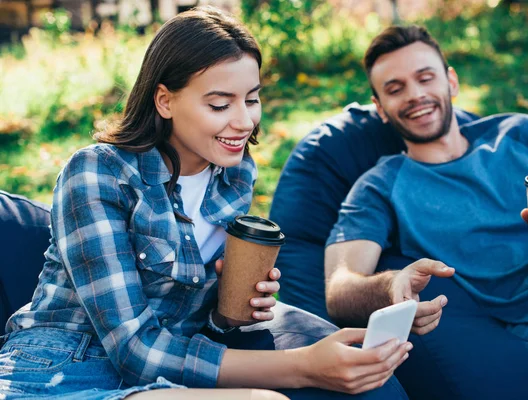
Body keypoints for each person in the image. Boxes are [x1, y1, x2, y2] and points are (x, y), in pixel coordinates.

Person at [0, 8, 411, 399]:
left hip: (171, 367)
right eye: (219, 104)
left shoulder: (234, 175)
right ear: (164, 101)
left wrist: (229, 312)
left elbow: (193, 322)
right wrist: (303, 364)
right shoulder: (97, 174)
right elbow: (135, 351)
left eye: (251, 99)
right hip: (63, 367)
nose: (245, 121)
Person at [325, 25, 528, 368]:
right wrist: (391, 283)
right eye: (396, 89)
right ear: (379, 108)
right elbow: (338, 288)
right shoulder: (379, 185)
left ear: (450, 81)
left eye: (425, 78)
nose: (415, 95)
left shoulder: (520, 132)